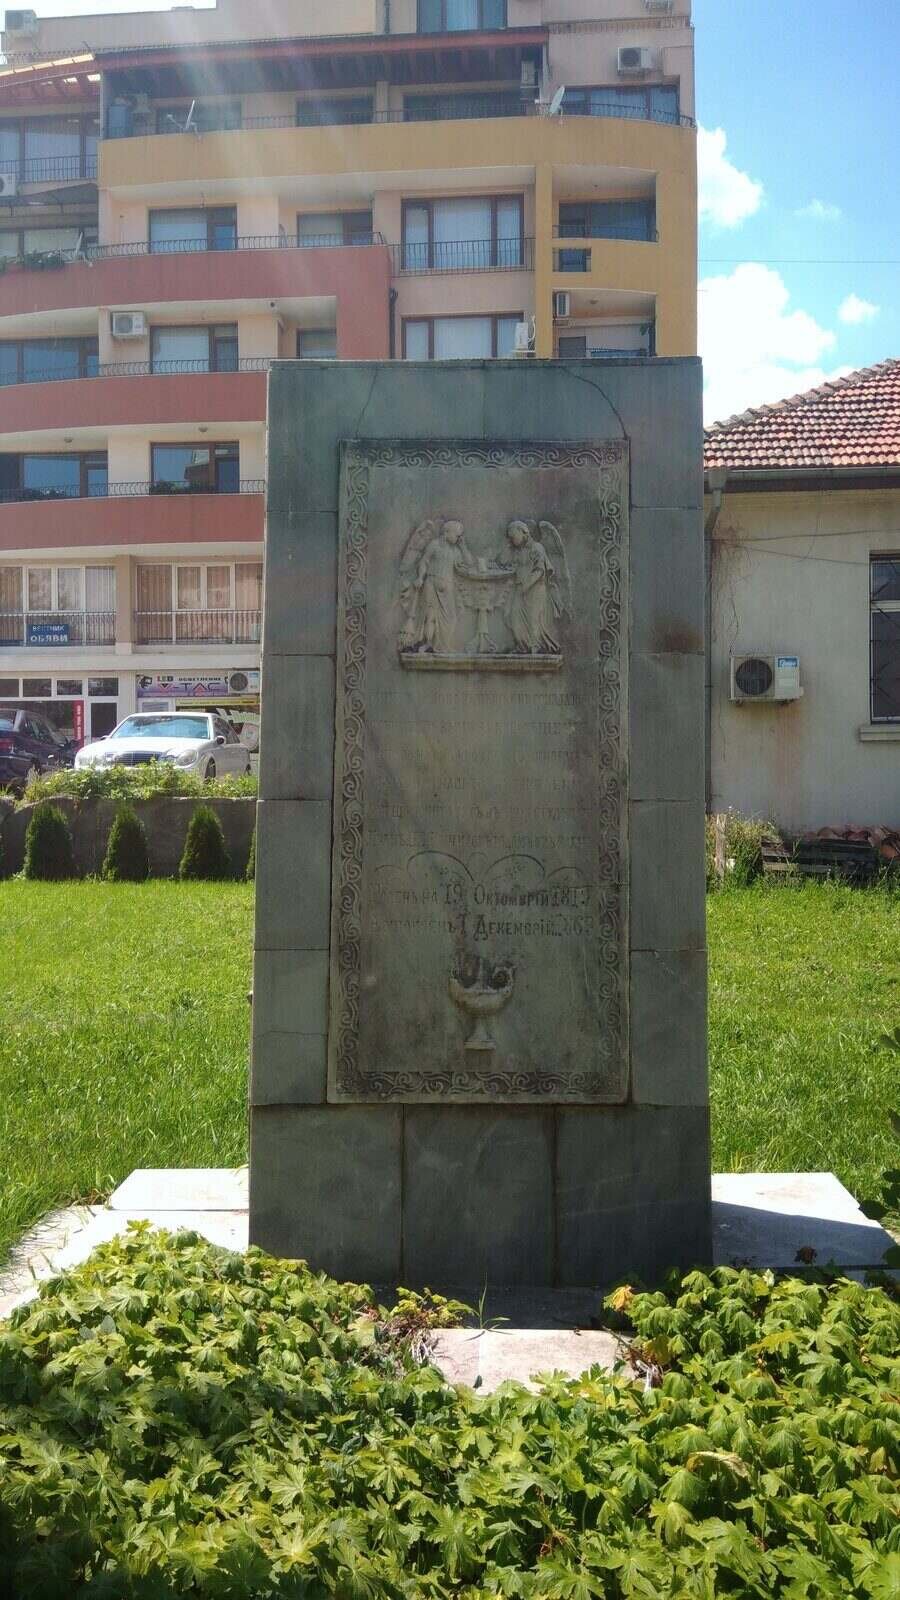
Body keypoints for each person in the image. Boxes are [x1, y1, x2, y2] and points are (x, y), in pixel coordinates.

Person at [402, 520, 472, 654]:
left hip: (448, 587)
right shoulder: (434, 545)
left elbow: (469, 563)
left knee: (451, 617)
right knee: (431, 617)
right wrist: (420, 577)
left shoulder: (455, 550)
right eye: (457, 534)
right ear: (447, 532)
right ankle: (428, 644)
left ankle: (443, 646)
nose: (459, 537)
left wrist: (463, 547)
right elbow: (424, 561)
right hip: (431, 584)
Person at [504, 520, 562, 654]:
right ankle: (522, 646)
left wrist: (526, 585)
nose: (512, 540)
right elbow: (510, 565)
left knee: (533, 620)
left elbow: (540, 570)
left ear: (523, 532)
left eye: (513, 536)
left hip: (535, 590)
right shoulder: (518, 551)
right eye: (510, 538)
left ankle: (534, 648)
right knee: (513, 618)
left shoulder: (537, 547)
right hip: (520, 589)